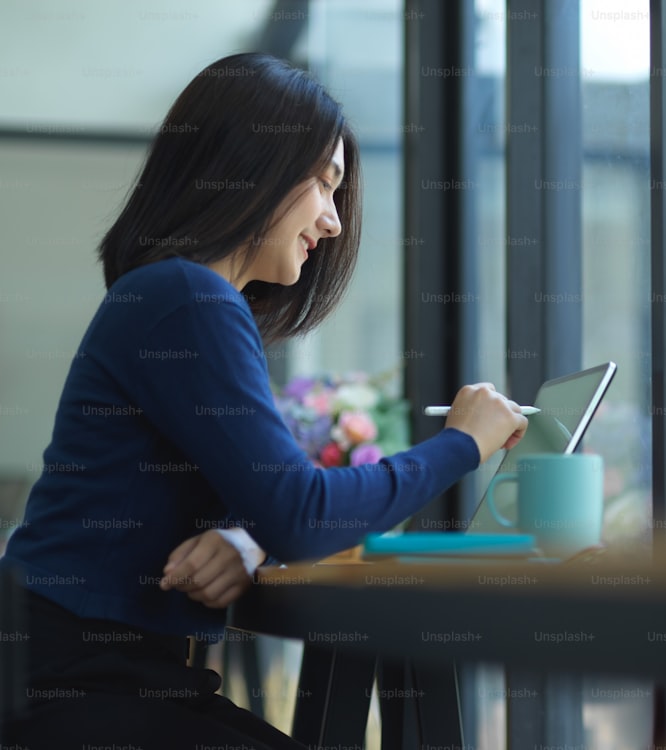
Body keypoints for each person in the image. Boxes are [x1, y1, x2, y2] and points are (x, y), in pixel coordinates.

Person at [0, 52, 527, 748]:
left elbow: (270, 502)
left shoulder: (176, 297)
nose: (334, 222)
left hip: (87, 672)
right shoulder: (188, 298)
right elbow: (304, 516)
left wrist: (242, 538)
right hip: (75, 686)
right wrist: (465, 441)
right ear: (251, 167)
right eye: (322, 184)